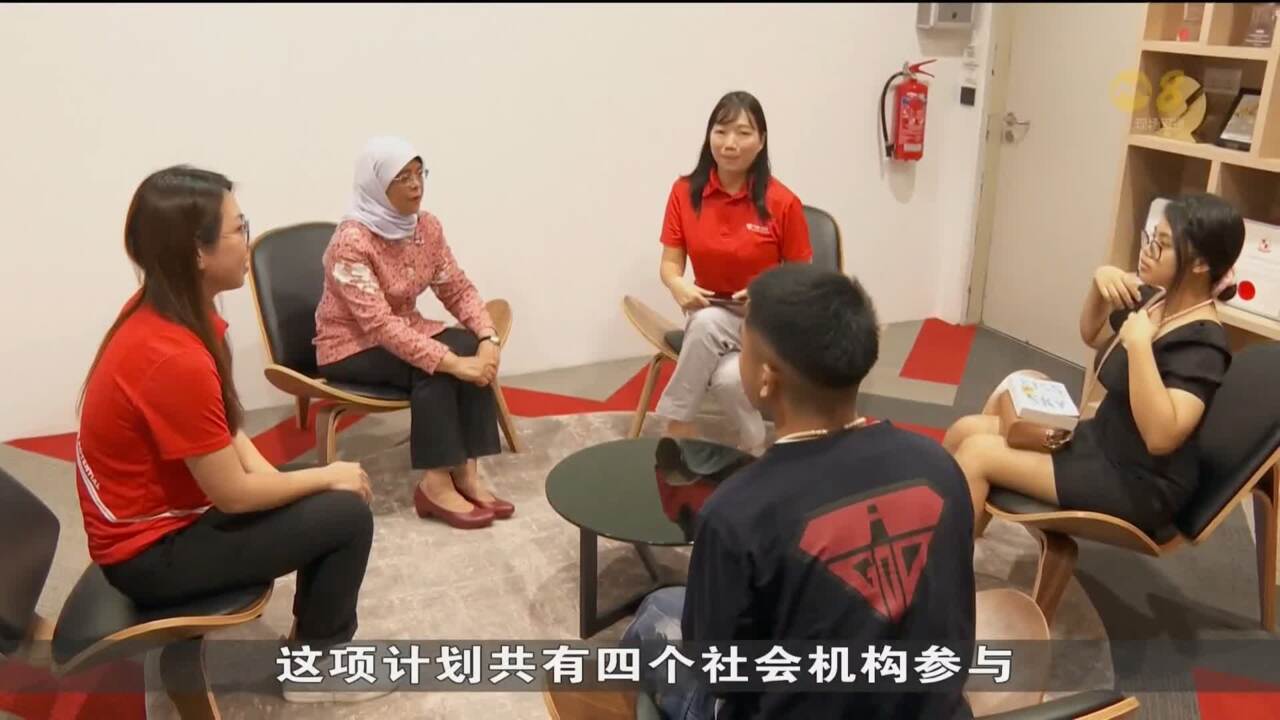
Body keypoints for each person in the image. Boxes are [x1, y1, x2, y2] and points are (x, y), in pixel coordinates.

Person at [76, 166, 387, 703]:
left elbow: (221, 427)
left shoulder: (166, 311)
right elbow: (234, 494)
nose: (248, 241)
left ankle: (312, 647)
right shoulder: (171, 356)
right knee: (347, 514)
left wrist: (297, 484)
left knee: (318, 490)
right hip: (149, 556)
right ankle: (318, 670)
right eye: (238, 229)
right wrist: (324, 479)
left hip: (161, 525)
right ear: (197, 252)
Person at [623, 264, 976, 719]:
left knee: (655, 615)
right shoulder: (939, 467)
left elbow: (716, 672)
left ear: (766, 378)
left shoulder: (736, 511)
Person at [944, 193, 1245, 537]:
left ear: (1200, 263)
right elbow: (1094, 334)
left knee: (978, 454)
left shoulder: (1204, 343)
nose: (1147, 250)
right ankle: (941, 536)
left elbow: (1161, 437)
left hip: (1141, 482)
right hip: (1098, 443)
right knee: (965, 430)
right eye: (1150, 238)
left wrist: (1140, 346)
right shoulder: (1155, 299)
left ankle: (942, 562)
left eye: (1162, 245)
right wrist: (1099, 287)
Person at [314, 136, 510, 530]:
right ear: (376, 185)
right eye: (402, 177)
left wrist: (487, 338)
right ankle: (436, 483)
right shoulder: (351, 242)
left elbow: (456, 287)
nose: (416, 185)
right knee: (434, 366)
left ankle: (465, 471)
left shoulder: (426, 227)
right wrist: (452, 363)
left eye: (419, 173)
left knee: (465, 344)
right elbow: (378, 325)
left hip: (403, 329)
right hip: (351, 344)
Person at [653, 91, 812, 454]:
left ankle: (676, 420)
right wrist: (677, 285)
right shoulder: (684, 192)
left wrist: (765, 293)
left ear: (761, 141)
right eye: (721, 131)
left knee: (706, 325)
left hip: (765, 320)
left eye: (743, 133)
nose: (729, 143)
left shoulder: (783, 202)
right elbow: (670, 264)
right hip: (707, 308)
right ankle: (755, 444)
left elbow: (799, 279)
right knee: (726, 378)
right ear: (709, 135)